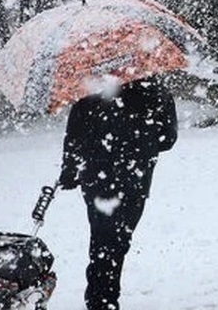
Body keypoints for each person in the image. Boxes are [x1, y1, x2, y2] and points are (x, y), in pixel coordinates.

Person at [58, 76, 178, 310]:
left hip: (97, 178)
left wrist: (69, 173)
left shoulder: (89, 92)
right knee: (118, 240)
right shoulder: (154, 92)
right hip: (135, 178)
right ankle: (104, 297)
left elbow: (74, 139)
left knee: (102, 238)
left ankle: (100, 296)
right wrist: (141, 142)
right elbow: (168, 139)